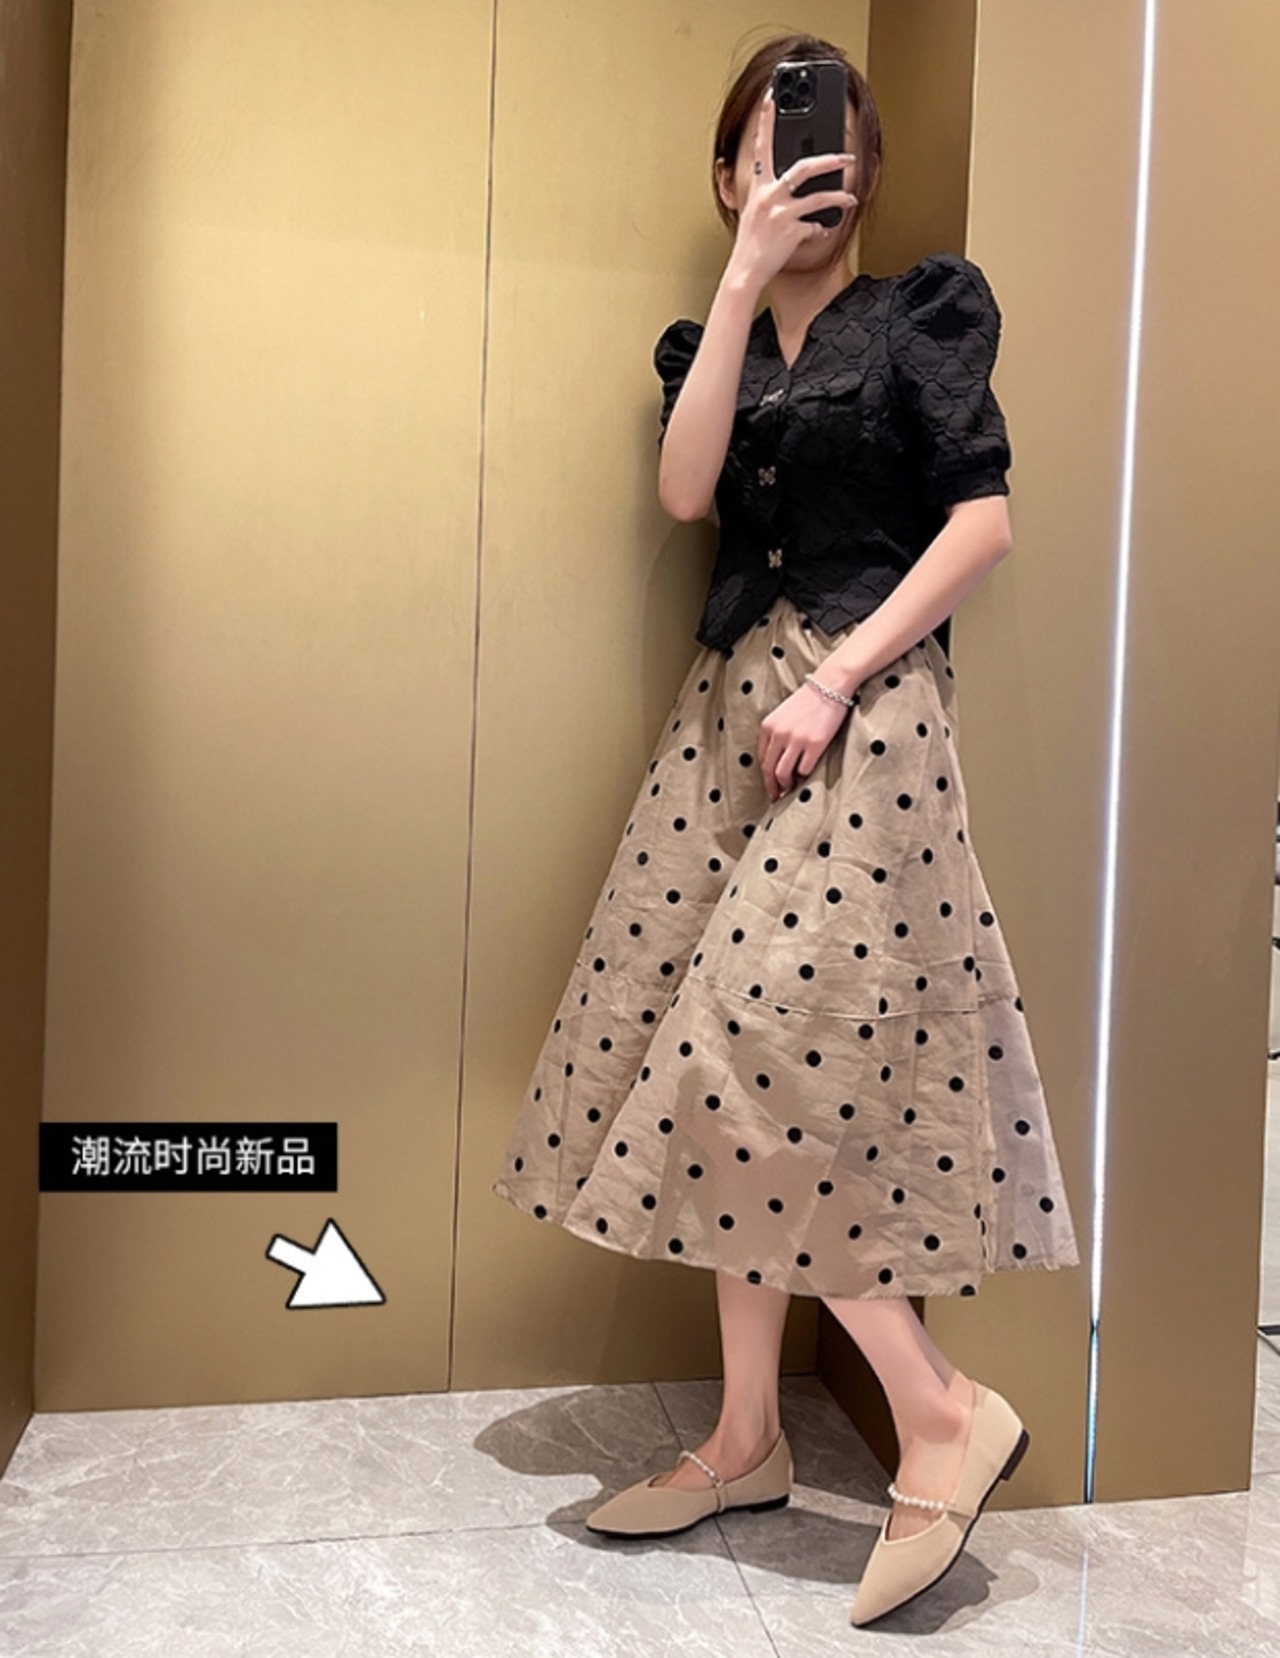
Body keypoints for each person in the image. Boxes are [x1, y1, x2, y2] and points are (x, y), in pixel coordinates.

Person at [491, 31, 1080, 1629]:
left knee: (752, 1061)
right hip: (722, 726)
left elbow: (982, 524)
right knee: (691, 1060)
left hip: (862, 718)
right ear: (730, 169)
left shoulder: (922, 316)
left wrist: (837, 677)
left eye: (823, 139)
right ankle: (748, 1436)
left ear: (863, 168)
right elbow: (687, 496)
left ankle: (939, 1409)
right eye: (768, 139)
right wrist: (745, 276)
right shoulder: (716, 343)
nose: (801, 160)